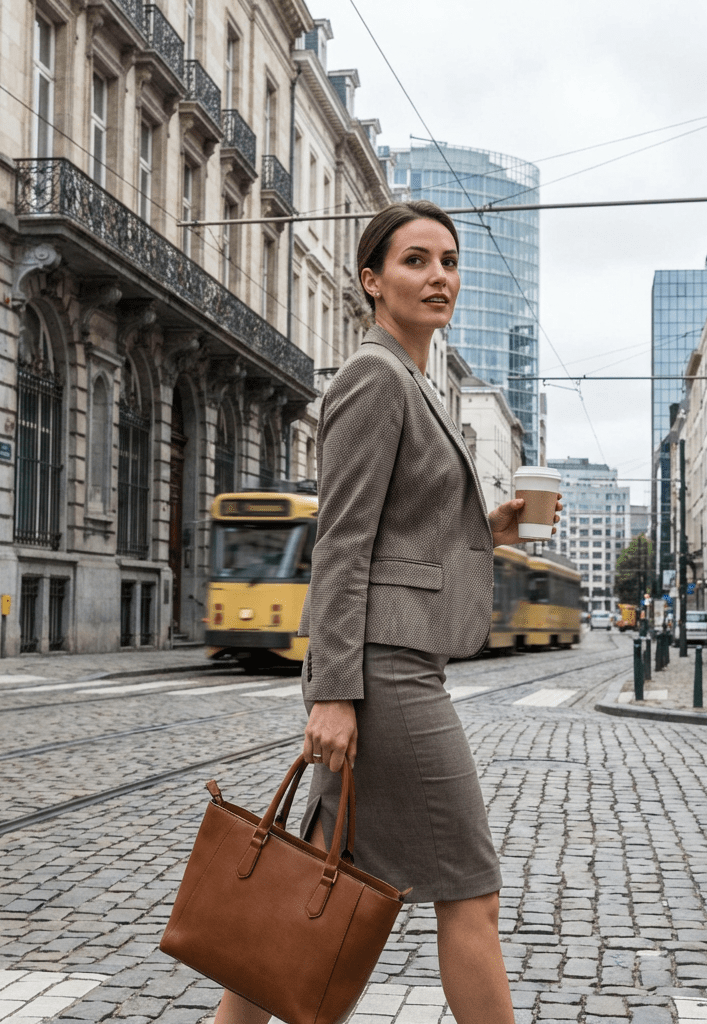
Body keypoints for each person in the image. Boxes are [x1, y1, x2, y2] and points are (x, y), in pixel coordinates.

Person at [213, 201, 559, 1024]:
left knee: (312, 888)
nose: (439, 276)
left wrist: (491, 525)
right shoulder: (375, 376)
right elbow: (341, 542)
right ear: (372, 281)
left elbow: (403, 527)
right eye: (415, 261)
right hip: (387, 678)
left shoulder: (412, 376)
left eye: (448, 260)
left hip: (393, 668)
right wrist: (331, 692)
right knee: (469, 895)